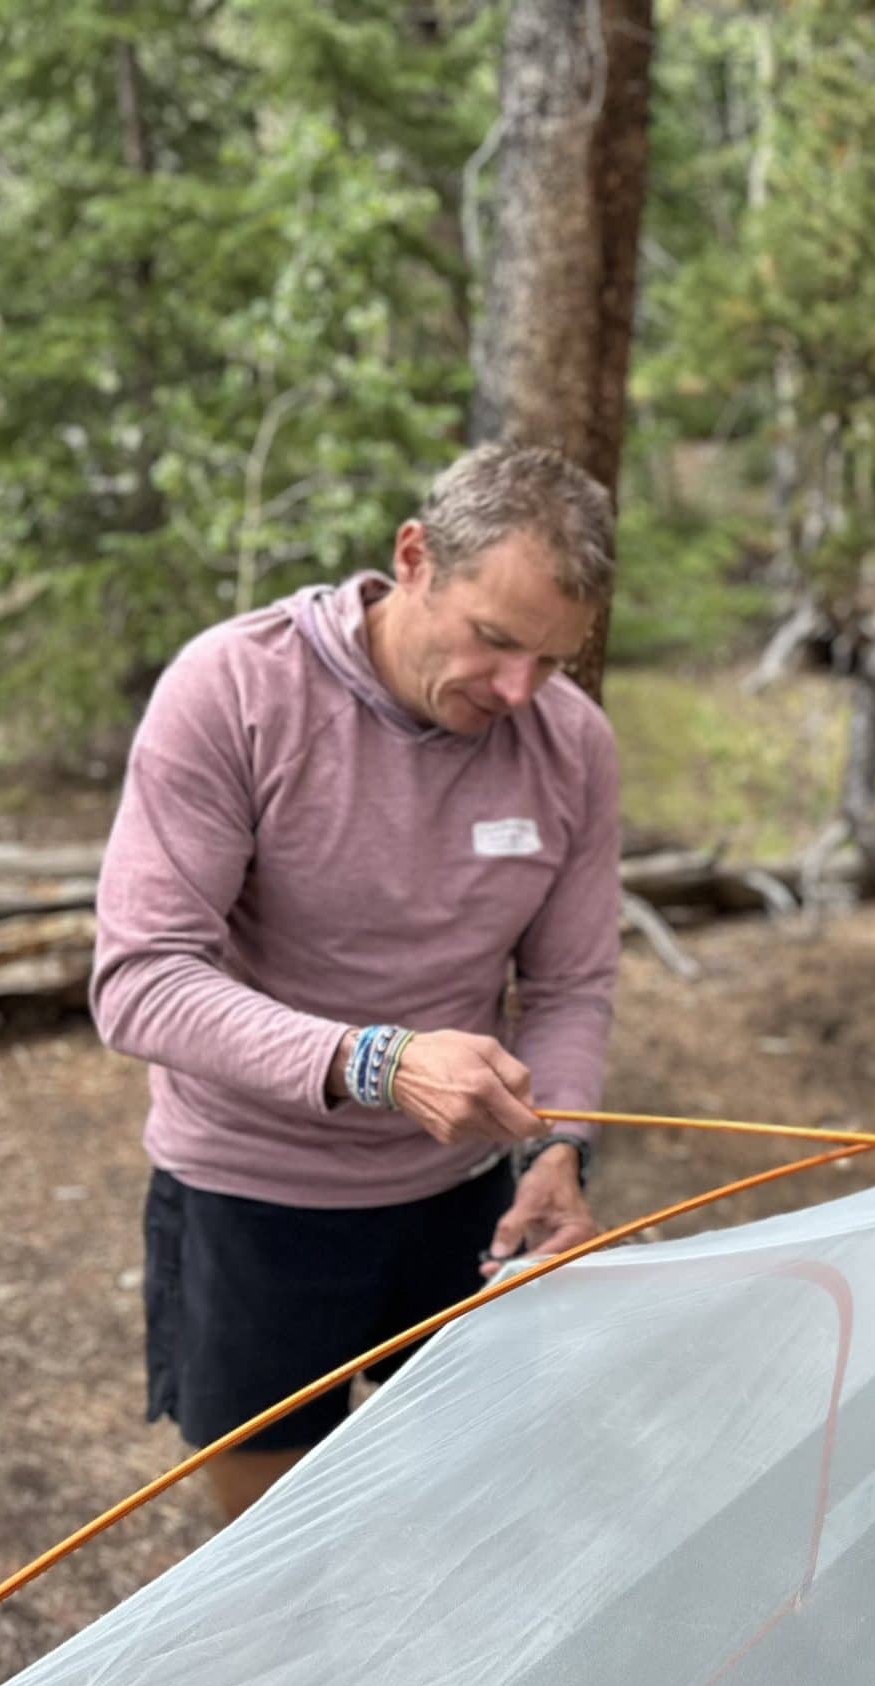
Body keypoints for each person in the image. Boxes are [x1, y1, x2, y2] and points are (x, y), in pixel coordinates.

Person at [92, 442, 624, 1523]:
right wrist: (375, 1061)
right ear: (415, 558)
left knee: (475, 1510)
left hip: (463, 1198)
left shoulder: (570, 744)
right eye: (495, 640)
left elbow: (570, 986)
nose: (517, 691)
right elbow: (141, 978)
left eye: (551, 661)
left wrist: (557, 1148)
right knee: (278, 1539)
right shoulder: (236, 690)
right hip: (254, 1192)